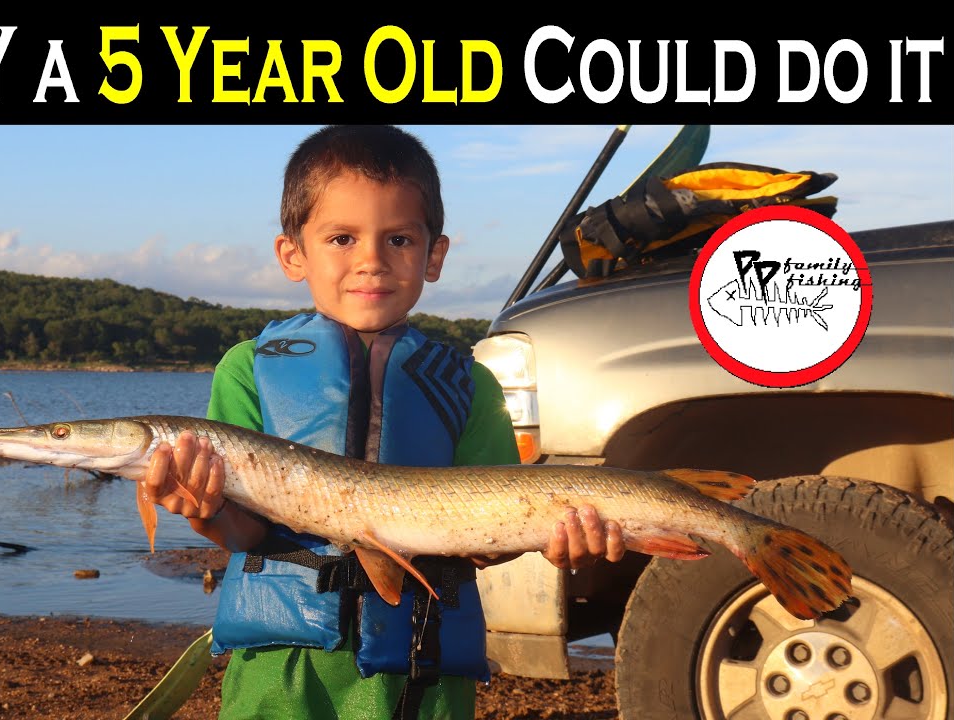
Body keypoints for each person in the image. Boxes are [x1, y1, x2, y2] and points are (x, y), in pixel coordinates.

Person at [143, 125, 625, 720]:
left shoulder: (471, 386)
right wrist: (204, 509)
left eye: (397, 238)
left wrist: (565, 545)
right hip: (285, 673)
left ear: (435, 255)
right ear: (293, 254)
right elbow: (247, 537)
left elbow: (487, 543)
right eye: (342, 238)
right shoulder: (246, 370)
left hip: (421, 672)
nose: (371, 261)